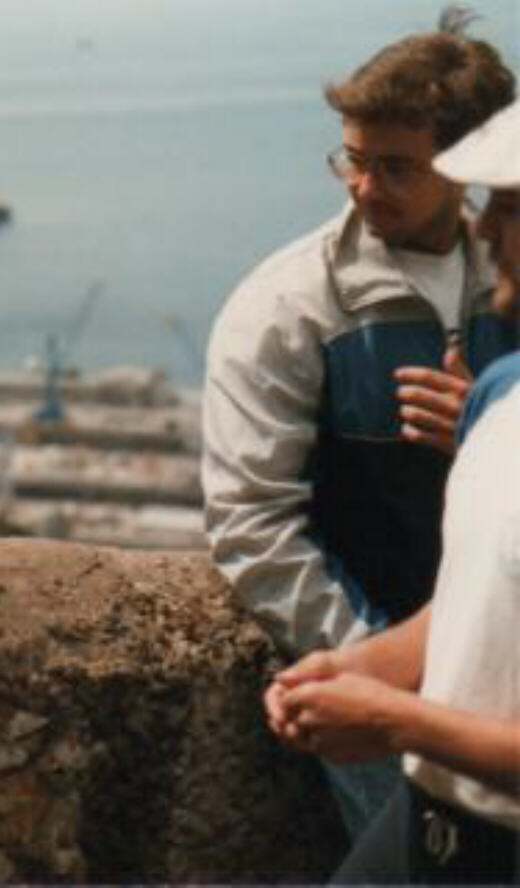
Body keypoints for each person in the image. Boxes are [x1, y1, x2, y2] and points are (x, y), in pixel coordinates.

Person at [202, 15, 515, 837]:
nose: (364, 187)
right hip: (383, 685)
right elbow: (253, 524)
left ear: (467, 168)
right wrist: (375, 674)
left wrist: (486, 439)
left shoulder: (511, 279)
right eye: (354, 159)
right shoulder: (290, 307)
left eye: (397, 169)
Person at [265, 98, 520, 885]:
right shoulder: (499, 396)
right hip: (429, 823)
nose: (480, 232)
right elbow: (483, 595)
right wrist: (370, 664)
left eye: (508, 211)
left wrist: (394, 721)